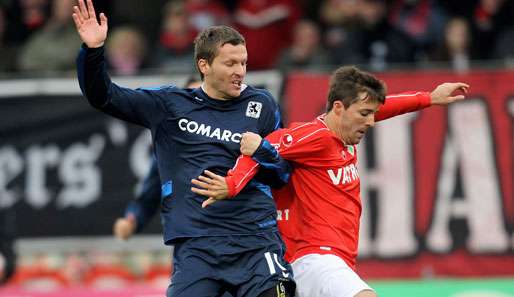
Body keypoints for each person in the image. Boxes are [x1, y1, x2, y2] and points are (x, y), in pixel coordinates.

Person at [72, 0, 295, 296]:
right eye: (230, 63)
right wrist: (93, 51)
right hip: (197, 249)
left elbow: (282, 174)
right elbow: (103, 96)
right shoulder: (169, 105)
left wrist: (263, 152)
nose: (240, 71)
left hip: (255, 243)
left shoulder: (262, 105)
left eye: (243, 62)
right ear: (204, 65)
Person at [191, 66, 469, 297]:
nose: (371, 122)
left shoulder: (344, 132)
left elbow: (379, 109)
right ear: (339, 107)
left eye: (372, 113)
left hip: (336, 259)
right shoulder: (317, 137)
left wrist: (428, 98)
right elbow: (264, 145)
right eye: (364, 114)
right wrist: (232, 183)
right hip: (313, 258)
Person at [114, 76, 202, 240]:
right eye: (193, 98)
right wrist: (132, 220)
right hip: (189, 242)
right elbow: (148, 197)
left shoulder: (232, 142)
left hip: (233, 239)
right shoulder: (169, 153)